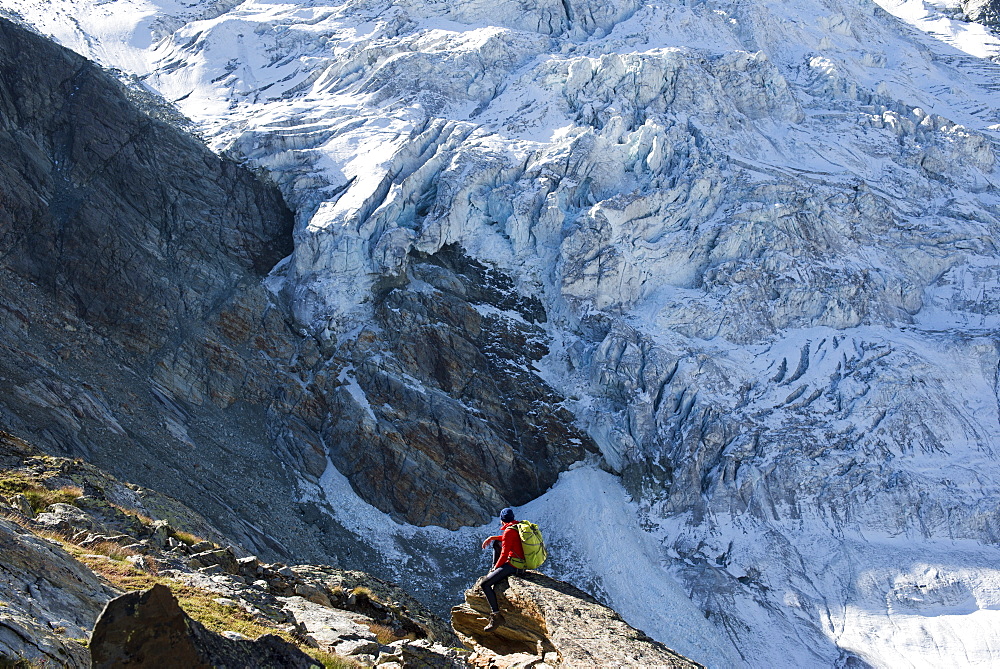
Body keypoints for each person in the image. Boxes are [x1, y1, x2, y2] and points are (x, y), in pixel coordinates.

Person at [479, 507, 524, 632]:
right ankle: (494, 570)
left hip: (513, 565)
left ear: (502, 520)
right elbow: (506, 540)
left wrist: (495, 568)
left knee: (485, 585)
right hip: (521, 563)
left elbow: (504, 554)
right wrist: (492, 537)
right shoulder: (517, 526)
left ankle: (496, 616)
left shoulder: (509, 531)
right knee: (496, 543)